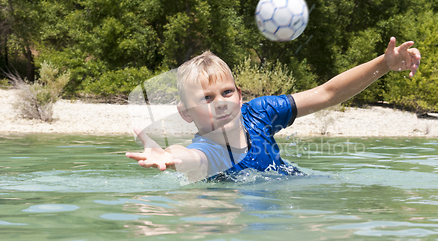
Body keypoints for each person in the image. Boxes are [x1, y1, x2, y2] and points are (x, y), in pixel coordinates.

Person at [126, 37, 420, 182]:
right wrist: (168, 155)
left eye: (227, 92)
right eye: (206, 98)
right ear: (186, 112)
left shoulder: (259, 113)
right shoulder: (210, 150)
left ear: (240, 96)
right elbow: (189, 157)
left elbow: (327, 93)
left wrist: (383, 65)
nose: (221, 102)